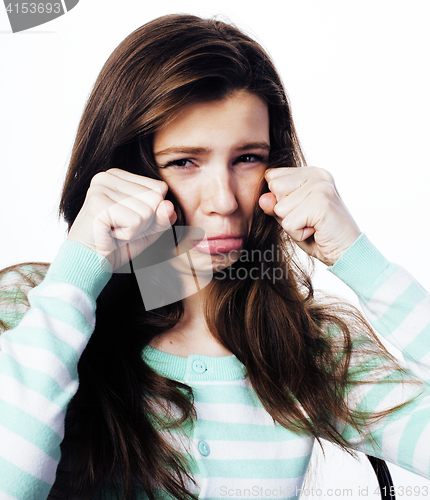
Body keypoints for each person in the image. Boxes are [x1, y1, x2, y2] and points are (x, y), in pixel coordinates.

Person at [0, 13, 429, 500]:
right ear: (125, 170)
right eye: (185, 162)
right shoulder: (29, 313)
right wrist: (78, 273)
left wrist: (360, 260)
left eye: (248, 158)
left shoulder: (309, 346)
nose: (224, 200)